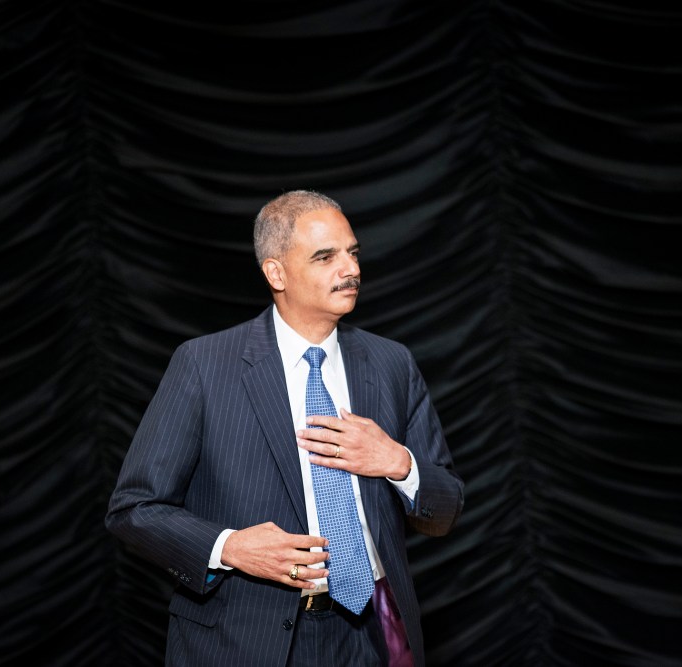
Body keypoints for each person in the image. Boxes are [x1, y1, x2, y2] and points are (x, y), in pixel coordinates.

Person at [106, 190, 464, 666]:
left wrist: (399, 463)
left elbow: (444, 508)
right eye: (325, 256)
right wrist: (229, 547)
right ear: (276, 273)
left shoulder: (391, 363)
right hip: (248, 638)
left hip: (374, 634)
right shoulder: (205, 364)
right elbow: (133, 509)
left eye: (353, 252)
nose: (351, 269)